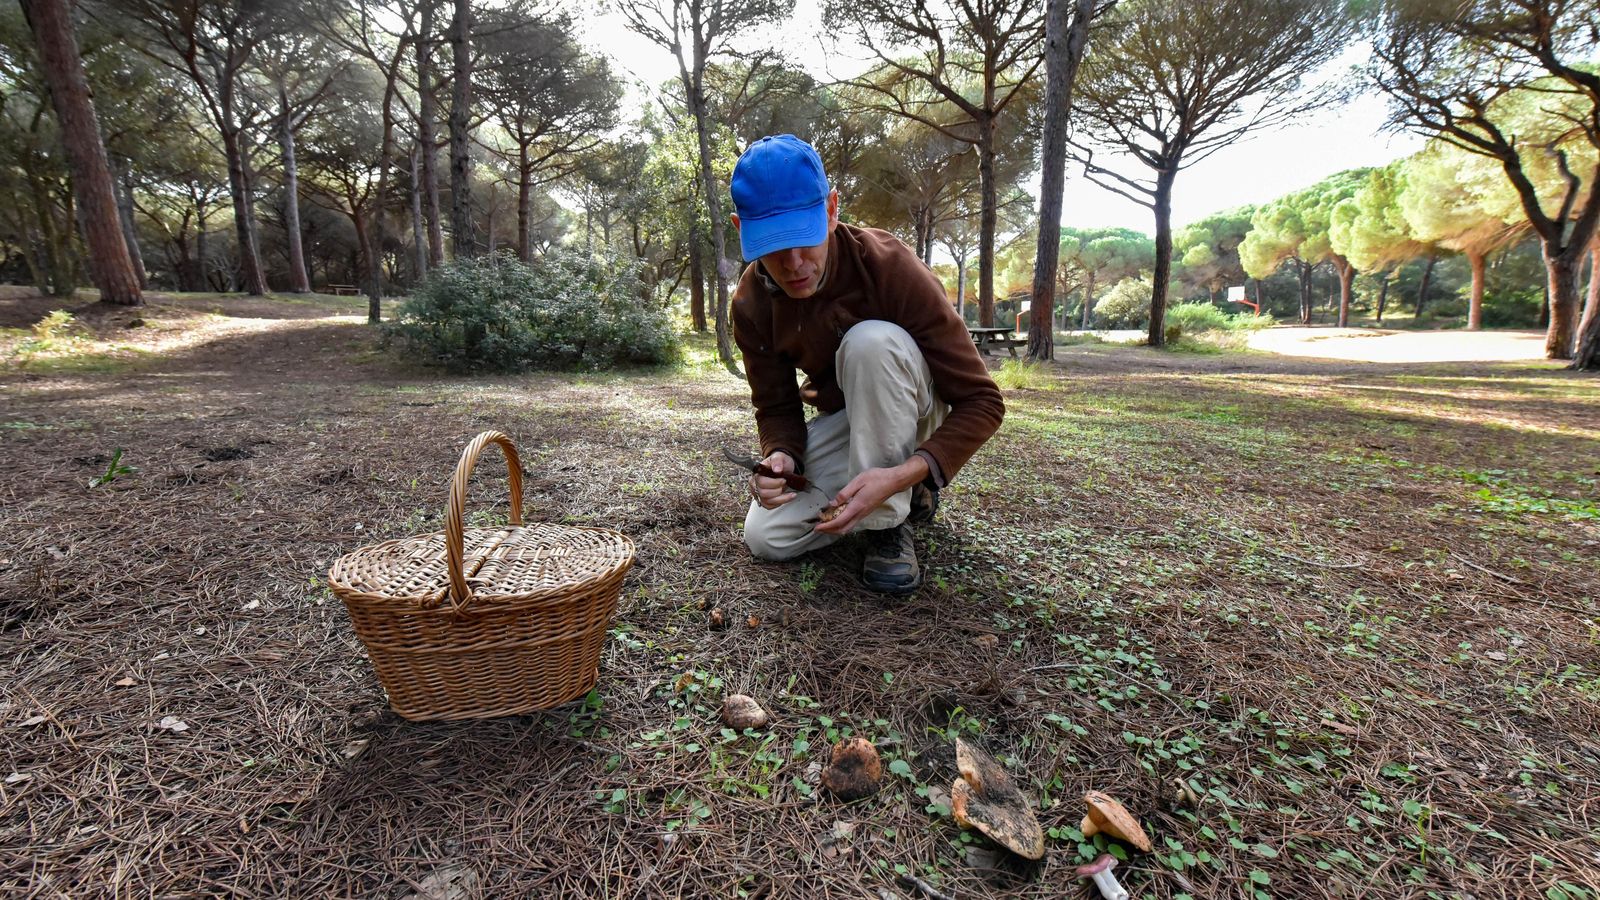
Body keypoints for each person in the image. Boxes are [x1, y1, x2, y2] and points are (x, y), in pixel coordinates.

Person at [728, 134, 1005, 594]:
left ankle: (887, 525)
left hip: (917, 407)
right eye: (774, 245)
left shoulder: (888, 266)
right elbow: (776, 408)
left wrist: (906, 469)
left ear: (832, 209)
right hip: (851, 419)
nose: (794, 264)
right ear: (742, 229)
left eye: (805, 238)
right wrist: (782, 456)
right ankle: (901, 494)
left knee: (871, 342)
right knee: (766, 537)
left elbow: (983, 402)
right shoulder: (752, 301)